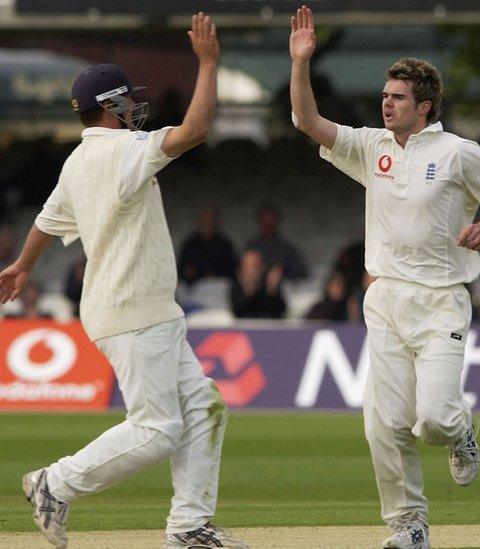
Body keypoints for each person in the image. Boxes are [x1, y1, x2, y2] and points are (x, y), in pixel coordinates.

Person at [0, 14, 248, 548]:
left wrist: (22, 267)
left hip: (139, 309)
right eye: (129, 100)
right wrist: (208, 63)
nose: (138, 106)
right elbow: (196, 131)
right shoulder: (127, 152)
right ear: (111, 105)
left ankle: (188, 527)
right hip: (134, 311)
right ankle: (55, 481)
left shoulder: (77, 160)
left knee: (204, 407)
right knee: (158, 428)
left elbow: (44, 222)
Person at [288, 6, 480, 548]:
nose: (386, 103)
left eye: (397, 97)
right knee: (384, 425)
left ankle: (462, 431)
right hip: (385, 299)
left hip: (441, 299)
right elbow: (307, 122)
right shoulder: (372, 146)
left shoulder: (457, 152)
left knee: (436, 421)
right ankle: (410, 525)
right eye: (384, 95)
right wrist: (300, 63)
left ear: (424, 106)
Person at [244, 203, 308, 280]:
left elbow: (301, 273)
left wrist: (281, 273)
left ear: (276, 223)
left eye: (270, 224)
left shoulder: (287, 249)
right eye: (265, 223)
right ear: (260, 222)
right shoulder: (252, 246)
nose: (268, 227)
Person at [178, 204, 238, 284]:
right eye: (204, 220)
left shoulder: (225, 245)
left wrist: (213, 274)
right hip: (193, 287)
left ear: (216, 222)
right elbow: (181, 269)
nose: (206, 224)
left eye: (210, 221)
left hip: (217, 285)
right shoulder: (189, 244)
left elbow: (232, 269)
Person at [230, 248, 286, 319]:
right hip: (246, 325)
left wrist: (272, 288)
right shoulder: (237, 286)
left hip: (269, 325)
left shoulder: (269, 285)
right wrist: (248, 289)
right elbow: (238, 311)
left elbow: (280, 311)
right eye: (248, 267)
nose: (253, 270)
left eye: (255, 266)